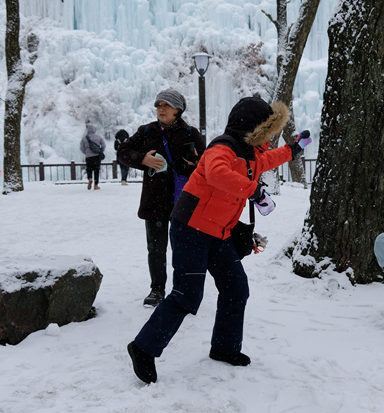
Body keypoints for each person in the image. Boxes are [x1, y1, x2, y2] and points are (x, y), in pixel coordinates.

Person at [126, 96, 313, 384]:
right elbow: (216, 174)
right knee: (187, 295)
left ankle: (225, 347)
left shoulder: (251, 155)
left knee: (236, 288)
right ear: (253, 127)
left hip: (218, 232)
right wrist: (255, 192)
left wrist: (294, 149)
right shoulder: (222, 148)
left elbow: (269, 159)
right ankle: (143, 348)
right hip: (190, 229)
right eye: (268, 131)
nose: (269, 138)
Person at [117, 89, 206, 307]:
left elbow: (206, 165)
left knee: (181, 248)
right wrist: (142, 159)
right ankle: (157, 289)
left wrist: (197, 163)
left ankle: (181, 288)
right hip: (155, 200)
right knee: (156, 248)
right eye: (158, 105)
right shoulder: (147, 132)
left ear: (178, 109)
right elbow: (122, 152)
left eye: (166, 105)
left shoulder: (191, 134)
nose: (161, 109)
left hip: (182, 200)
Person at [79, 124, 106, 190]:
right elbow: (104, 145)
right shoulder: (99, 137)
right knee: (96, 170)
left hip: (88, 157)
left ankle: (90, 178)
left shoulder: (84, 138)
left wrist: (86, 153)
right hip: (96, 157)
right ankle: (96, 185)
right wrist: (100, 151)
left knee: (89, 169)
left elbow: (81, 148)